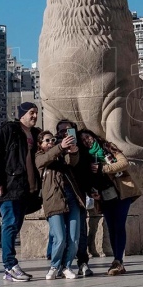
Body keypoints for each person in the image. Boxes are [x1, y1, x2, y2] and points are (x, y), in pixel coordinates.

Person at [0, 102, 42, 282]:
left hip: (26, 189)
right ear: (21, 114)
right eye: (31, 113)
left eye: (36, 112)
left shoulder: (35, 134)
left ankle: (8, 270)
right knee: (10, 224)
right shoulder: (8, 130)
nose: (34, 116)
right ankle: (10, 265)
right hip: (8, 186)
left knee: (15, 225)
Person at [78, 129, 141, 276]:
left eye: (87, 137)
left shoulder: (107, 147)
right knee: (112, 228)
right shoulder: (85, 156)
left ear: (93, 136)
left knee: (119, 225)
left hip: (121, 192)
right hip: (103, 196)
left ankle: (118, 260)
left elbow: (124, 163)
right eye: (83, 140)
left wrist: (103, 168)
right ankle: (117, 260)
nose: (87, 140)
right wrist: (91, 192)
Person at [37, 130, 81, 279]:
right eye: (47, 141)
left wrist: (73, 152)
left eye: (53, 140)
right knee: (60, 237)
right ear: (40, 144)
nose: (51, 143)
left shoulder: (61, 156)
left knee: (74, 238)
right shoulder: (39, 157)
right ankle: (54, 266)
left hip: (71, 199)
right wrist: (60, 147)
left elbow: (72, 162)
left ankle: (66, 266)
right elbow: (45, 159)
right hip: (53, 200)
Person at [55, 119, 93, 277]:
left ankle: (82, 262)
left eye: (69, 131)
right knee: (59, 233)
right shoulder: (55, 147)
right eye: (62, 131)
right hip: (58, 195)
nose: (66, 133)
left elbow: (86, 170)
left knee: (80, 231)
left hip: (78, 193)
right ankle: (60, 265)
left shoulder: (81, 148)